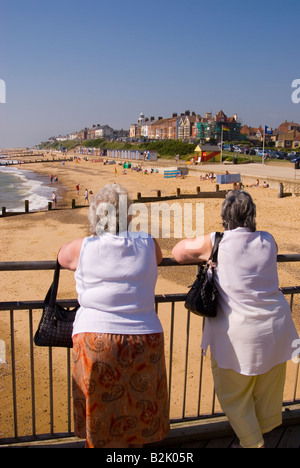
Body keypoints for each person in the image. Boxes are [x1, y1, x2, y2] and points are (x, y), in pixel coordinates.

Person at [172, 190, 299, 449]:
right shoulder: (267, 239)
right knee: (266, 390)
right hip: (277, 326)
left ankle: (253, 443)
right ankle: (261, 434)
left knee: (233, 395)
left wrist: (209, 251)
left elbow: (177, 252)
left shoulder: (216, 241)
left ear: (224, 216)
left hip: (240, 334)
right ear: (252, 214)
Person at [58, 183, 170, 449]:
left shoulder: (83, 247)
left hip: (95, 341)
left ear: (96, 216)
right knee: (137, 415)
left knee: (100, 415)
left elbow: (62, 256)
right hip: (144, 339)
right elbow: (159, 257)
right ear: (129, 215)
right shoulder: (147, 243)